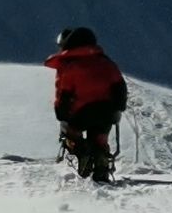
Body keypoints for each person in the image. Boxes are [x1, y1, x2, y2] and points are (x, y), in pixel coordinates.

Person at [46, 25, 128, 182]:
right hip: (107, 111)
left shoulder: (69, 67)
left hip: (81, 113)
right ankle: (101, 163)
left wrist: (62, 115)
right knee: (100, 135)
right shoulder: (107, 63)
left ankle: (83, 153)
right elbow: (120, 88)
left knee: (70, 132)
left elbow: (63, 94)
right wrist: (118, 108)